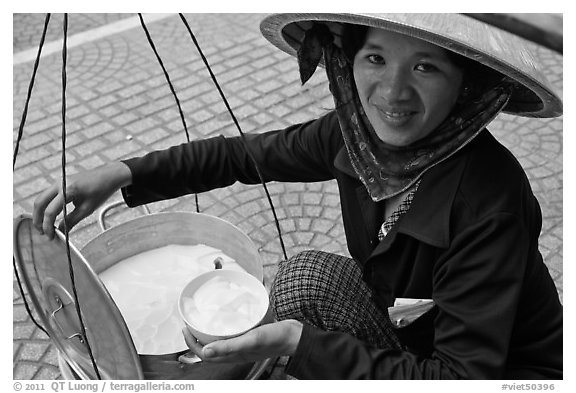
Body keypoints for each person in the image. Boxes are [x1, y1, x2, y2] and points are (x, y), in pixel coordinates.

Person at [32, 14, 563, 379]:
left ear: (467, 86)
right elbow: (245, 156)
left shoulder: (488, 203)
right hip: (412, 327)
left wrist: (297, 344)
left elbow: (461, 377)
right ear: (347, 63)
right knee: (304, 275)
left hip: (495, 372)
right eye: (375, 57)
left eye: (426, 67)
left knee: (291, 329)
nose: (393, 92)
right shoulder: (357, 139)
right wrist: (124, 173)